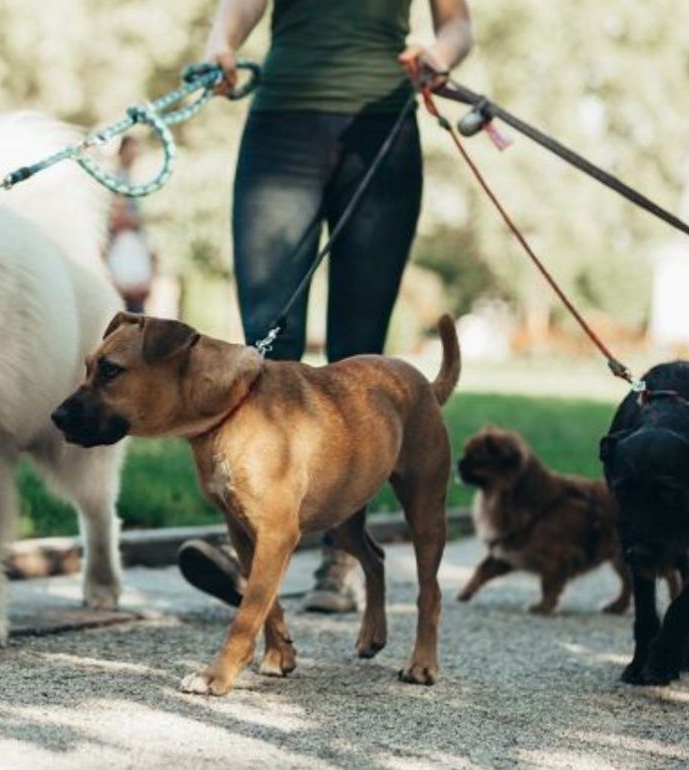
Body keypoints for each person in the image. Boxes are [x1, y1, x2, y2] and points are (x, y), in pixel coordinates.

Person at [177, 0, 474, 613]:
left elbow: (457, 22)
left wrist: (438, 57)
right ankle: (252, 546)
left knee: (357, 354)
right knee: (266, 336)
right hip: (282, 124)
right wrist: (220, 45)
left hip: (382, 125)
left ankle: (341, 551)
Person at [105, 136, 156, 313]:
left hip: (130, 248)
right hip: (120, 251)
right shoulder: (117, 179)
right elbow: (118, 215)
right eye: (132, 149)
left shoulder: (129, 178)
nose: (135, 154)